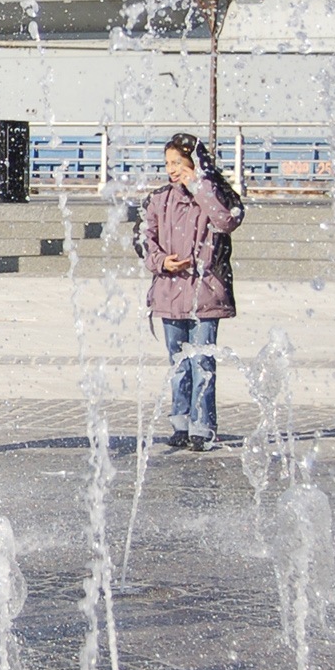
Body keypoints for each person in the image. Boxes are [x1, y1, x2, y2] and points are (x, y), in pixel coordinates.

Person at [141, 132, 245, 451]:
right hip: (169, 291)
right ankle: (180, 423)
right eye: (168, 163)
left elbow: (227, 221)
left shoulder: (217, 192)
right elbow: (145, 238)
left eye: (178, 162)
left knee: (202, 361)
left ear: (194, 161)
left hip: (206, 292)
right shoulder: (159, 198)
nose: (172, 169)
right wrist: (161, 261)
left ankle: (203, 426)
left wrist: (199, 186)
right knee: (178, 363)